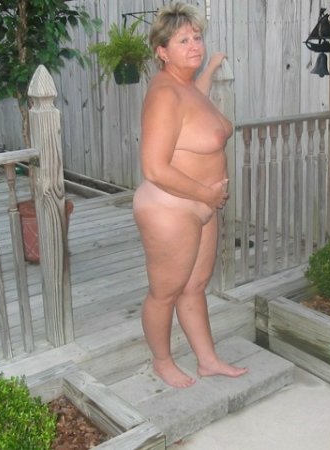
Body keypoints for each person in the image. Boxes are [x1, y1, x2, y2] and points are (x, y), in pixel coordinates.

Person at [133, 3, 248, 388]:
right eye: (182, 40)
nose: (194, 45)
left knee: (195, 286)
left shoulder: (186, 86)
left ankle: (207, 360)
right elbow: (153, 167)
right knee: (164, 293)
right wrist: (205, 194)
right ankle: (162, 361)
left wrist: (211, 68)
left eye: (196, 37)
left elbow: (194, 108)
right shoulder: (164, 93)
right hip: (170, 209)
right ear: (162, 51)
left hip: (202, 206)